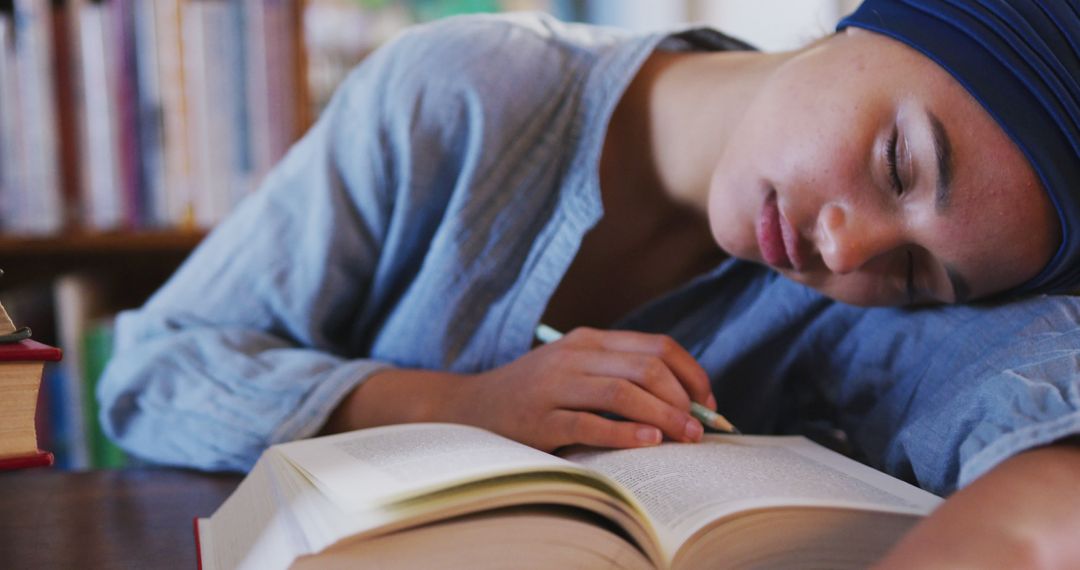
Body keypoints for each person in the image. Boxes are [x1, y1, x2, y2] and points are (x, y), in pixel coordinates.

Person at [98, 0, 1080, 566]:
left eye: (915, 272)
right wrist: (460, 406)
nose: (849, 246)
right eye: (901, 161)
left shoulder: (870, 307)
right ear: (864, 20)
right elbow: (150, 370)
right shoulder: (468, 92)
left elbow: (1046, 450)